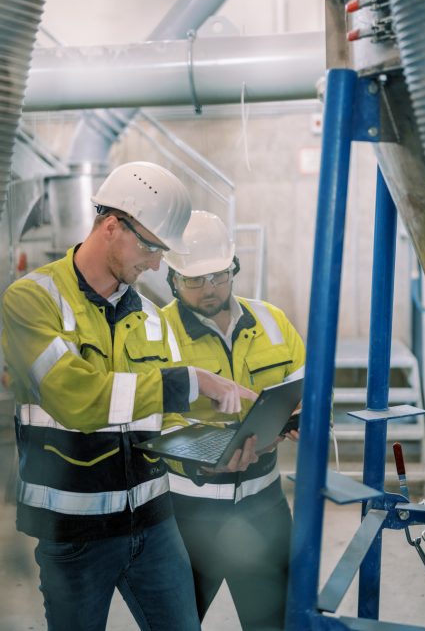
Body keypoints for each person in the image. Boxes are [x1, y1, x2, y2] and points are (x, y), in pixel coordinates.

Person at [1, 162, 257, 631]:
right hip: (73, 533)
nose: (158, 264)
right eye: (152, 248)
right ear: (112, 225)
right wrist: (195, 380)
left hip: (155, 525)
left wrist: (240, 429)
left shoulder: (153, 318)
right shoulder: (31, 300)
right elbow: (78, 398)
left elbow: (158, 411)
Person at [162, 210, 306, 631]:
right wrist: (201, 454)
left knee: (275, 624)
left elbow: (308, 387)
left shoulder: (272, 322)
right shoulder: (154, 332)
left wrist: (302, 419)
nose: (209, 289)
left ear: (233, 269)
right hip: (186, 514)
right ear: (172, 277)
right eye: (194, 279)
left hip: (265, 508)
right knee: (177, 623)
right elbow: (146, 419)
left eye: (219, 276)